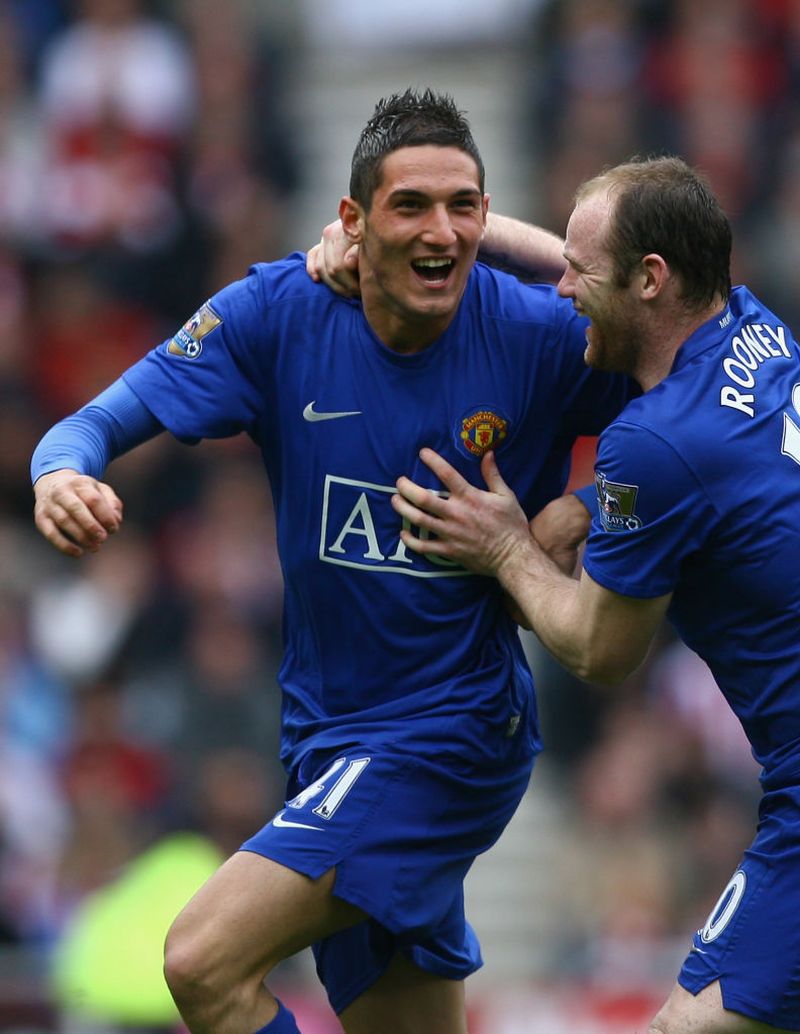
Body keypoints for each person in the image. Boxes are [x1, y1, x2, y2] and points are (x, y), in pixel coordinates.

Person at [30, 89, 631, 1034]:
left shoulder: (536, 334)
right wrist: (60, 473)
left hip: (452, 730)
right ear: (352, 221)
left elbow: (716, 390)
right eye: (410, 206)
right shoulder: (280, 314)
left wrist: (585, 510)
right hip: (327, 739)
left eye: (462, 207)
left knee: (202, 963)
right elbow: (92, 424)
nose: (441, 233)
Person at [389, 155, 800, 1034]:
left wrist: (505, 546)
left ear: (652, 279)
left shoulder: (653, 443)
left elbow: (598, 649)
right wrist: (447, 232)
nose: (561, 288)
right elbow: (718, 478)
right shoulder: (754, 325)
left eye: (580, 270)